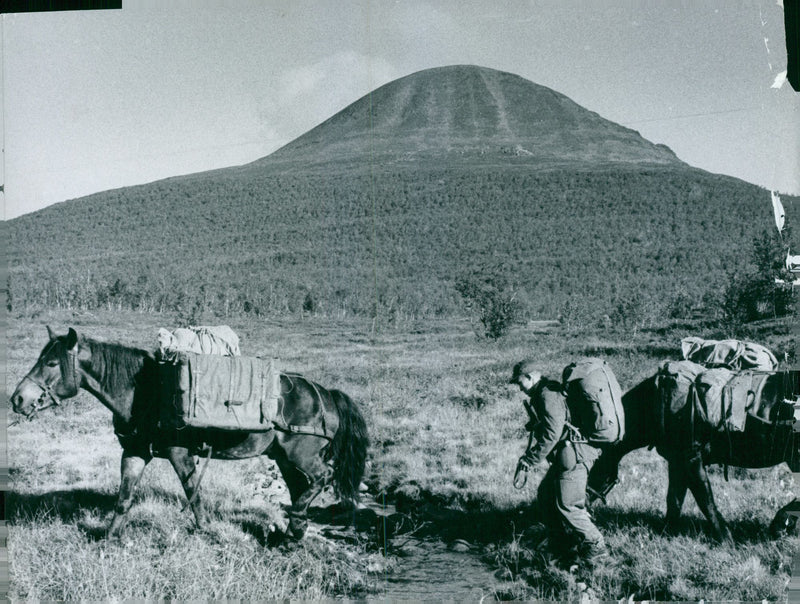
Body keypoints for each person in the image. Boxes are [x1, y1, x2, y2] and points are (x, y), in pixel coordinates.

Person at [509, 359, 609, 569]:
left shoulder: (548, 395)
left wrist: (530, 460)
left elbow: (553, 433)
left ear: (530, 377)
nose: (519, 388)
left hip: (575, 454)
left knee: (569, 505)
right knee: (546, 494)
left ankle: (597, 547)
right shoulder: (544, 393)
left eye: (520, 383)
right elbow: (556, 424)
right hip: (568, 453)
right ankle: (561, 541)